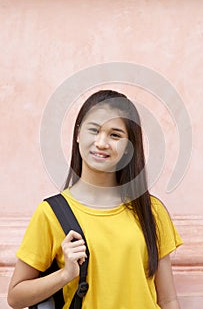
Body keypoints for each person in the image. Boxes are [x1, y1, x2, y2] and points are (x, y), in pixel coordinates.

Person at [8, 89, 183, 309]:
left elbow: (168, 299)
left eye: (115, 135)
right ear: (78, 134)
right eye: (94, 130)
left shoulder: (151, 210)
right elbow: (15, 297)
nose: (101, 143)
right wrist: (65, 275)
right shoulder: (52, 213)